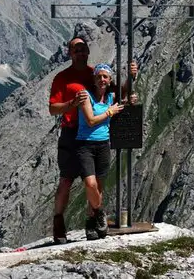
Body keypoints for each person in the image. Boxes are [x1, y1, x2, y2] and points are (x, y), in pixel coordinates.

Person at [48, 37, 137, 244]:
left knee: (96, 183)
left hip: (94, 134)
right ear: (70, 53)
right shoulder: (62, 77)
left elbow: (116, 93)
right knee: (66, 180)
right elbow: (53, 109)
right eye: (76, 49)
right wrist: (72, 103)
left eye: (83, 49)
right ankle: (59, 224)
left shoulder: (94, 73)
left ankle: (92, 222)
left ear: (88, 52)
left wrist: (131, 82)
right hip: (72, 133)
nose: (80, 52)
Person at [76, 63, 124, 240]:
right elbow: (90, 120)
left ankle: (91, 224)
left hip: (103, 145)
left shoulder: (111, 97)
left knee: (99, 186)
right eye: (99, 76)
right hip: (85, 145)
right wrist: (110, 113)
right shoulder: (85, 95)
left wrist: (133, 75)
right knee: (90, 184)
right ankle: (99, 213)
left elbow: (125, 95)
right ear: (94, 79)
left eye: (105, 76)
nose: (102, 79)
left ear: (110, 80)